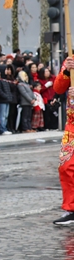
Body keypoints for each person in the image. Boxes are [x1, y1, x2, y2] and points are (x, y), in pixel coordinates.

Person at [53, 56, 74, 225]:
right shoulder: (71, 60)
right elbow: (59, 88)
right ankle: (72, 208)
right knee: (66, 166)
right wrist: (66, 71)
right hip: (72, 125)